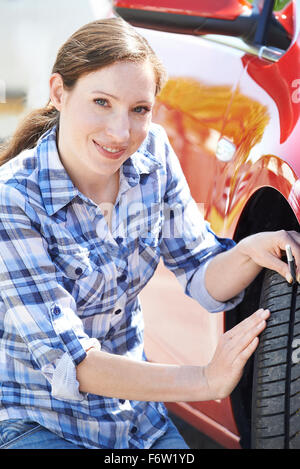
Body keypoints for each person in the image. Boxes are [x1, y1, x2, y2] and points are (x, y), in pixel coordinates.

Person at [0, 17, 299, 450]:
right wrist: (205, 379)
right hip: (44, 427)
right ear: (59, 92)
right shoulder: (13, 200)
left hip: (138, 424)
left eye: (139, 109)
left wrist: (250, 252)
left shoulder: (153, 154)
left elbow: (201, 272)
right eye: (101, 102)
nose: (121, 133)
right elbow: (73, 363)